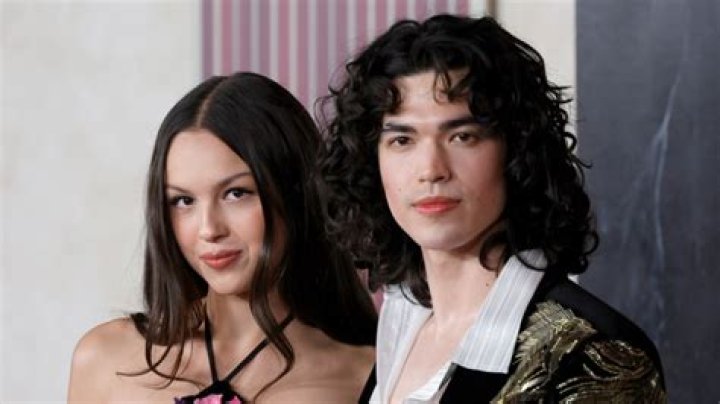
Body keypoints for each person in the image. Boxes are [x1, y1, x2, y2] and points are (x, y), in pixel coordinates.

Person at [317, 14, 666, 403]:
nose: (431, 169)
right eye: (403, 140)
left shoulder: (594, 355)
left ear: (516, 151)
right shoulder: (401, 323)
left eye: (462, 136)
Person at [68, 72, 377, 403]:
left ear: (297, 193)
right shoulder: (104, 360)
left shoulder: (364, 376)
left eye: (235, 193)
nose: (208, 229)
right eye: (183, 201)